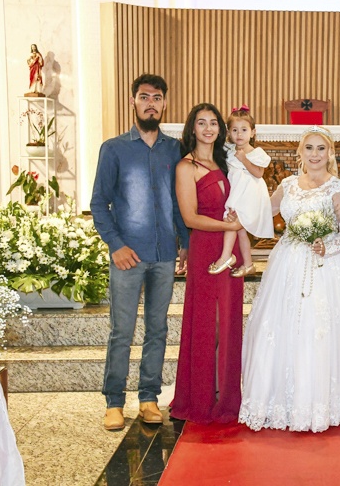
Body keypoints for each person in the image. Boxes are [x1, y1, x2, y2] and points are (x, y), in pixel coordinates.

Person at [238, 126, 340, 433]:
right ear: (300, 152)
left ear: (330, 153)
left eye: (321, 148)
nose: (315, 154)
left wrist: (326, 246)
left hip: (328, 266)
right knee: (285, 327)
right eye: (309, 148)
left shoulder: (338, 187)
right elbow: (262, 212)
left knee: (323, 330)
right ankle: (283, 401)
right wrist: (236, 208)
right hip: (288, 264)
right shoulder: (288, 185)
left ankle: (328, 403)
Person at [90, 73, 189, 431]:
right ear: (132, 101)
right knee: (122, 331)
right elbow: (99, 204)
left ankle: (149, 398)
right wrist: (116, 245)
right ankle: (114, 402)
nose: (151, 103)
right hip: (128, 256)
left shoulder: (175, 150)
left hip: (163, 256)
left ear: (164, 104)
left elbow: (181, 201)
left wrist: (185, 243)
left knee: (157, 330)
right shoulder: (114, 148)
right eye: (144, 97)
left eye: (157, 98)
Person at [170, 103, 246, 424]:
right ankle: (199, 396)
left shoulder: (226, 162)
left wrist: (240, 221)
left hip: (230, 249)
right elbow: (190, 218)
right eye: (201, 123)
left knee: (227, 321)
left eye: (213, 122)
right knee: (206, 323)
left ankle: (225, 394)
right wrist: (231, 225)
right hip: (205, 248)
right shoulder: (186, 167)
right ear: (192, 128)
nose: (208, 128)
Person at [209, 105, 274, 277]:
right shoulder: (229, 150)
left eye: (244, 130)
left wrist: (244, 159)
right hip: (237, 191)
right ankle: (248, 264)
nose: (239, 134)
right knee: (240, 228)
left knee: (231, 222)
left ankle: (225, 257)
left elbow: (258, 173)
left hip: (249, 194)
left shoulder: (257, 153)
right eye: (235, 130)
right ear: (229, 133)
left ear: (253, 132)